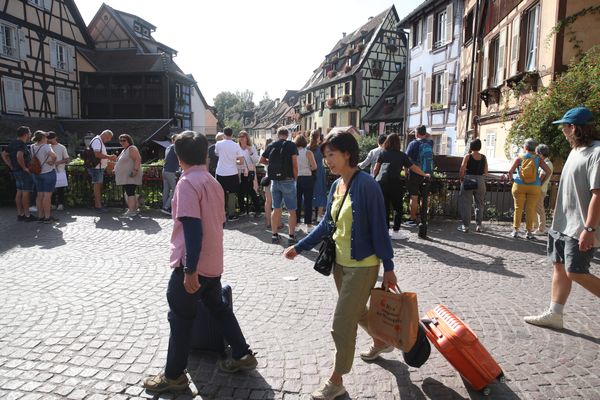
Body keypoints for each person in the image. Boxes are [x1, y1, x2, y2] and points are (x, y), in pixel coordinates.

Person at [283, 130, 398, 400]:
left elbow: (380, 229)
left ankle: (336, 381)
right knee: (357, 313)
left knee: (342, 322)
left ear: (348, 153)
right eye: (325, 156)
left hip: (364, 264)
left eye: (331, 155)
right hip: (340, 264)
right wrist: (299, 247)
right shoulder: (337, 186)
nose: (327, 161)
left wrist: (389, 267)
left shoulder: (367, 185)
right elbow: (326, 225)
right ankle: (381, 342)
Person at [142, 131, 257, 394]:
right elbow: (219, 223)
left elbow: (192, 228)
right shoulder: (212, 182)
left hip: (194, 264)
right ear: (205, 154)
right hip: (213, 261)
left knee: (181, 318)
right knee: (218, 308)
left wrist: (189, 270)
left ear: (178, 157)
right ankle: (241, 354)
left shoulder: (187, 183)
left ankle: (173, 376)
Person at [524, 106, 600, 329]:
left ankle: (555, 314)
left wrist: (589, 229)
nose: (563, 132)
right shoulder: (575, 151)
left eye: (565, 128)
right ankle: (555, 314)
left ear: (575, 128)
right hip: (562, 223)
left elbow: (598, 194)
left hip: (580, 226)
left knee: (575, 271)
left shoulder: (597, 153)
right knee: (559, 266)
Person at [373, 133, 429, 240]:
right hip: (395, 183)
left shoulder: (382, 152)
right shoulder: (401, 155)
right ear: (398, 143)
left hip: (382, 184)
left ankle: (385, 231)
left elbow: (376, 169)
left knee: (384, 208)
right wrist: (424, 174)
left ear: (387, 142)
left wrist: (373, 179)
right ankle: (395, 231)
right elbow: (413, 167)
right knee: (398, 208)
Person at [260, 127, 299, 245]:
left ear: (277, 135)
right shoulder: (291, 145)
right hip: (287, 180)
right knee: (292, 210)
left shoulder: (272, 145)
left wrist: (270, 164)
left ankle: (274, 235)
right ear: (287, 135)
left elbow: (262, 159)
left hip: (275, 181)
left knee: (276, 208)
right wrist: (295, 178)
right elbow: (294, 165)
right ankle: (291, 236)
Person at [506, 138, 551, 239]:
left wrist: (512, 181)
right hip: (534, 186)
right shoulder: (538, 159)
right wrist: (540, 183)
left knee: (518, 208)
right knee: (530, 209)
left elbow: (510, 171)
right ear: (535, 148)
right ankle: (529, 232)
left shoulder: (520, 157)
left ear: (525, 147)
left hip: (519, 185)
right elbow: (548, 171)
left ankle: (516, 231)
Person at [2, 126, 36, 221]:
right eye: (29, 133)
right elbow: (19, 155)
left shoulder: (12, 143)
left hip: (16, 171)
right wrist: (24, 167)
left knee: (19, 191)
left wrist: (11, 165)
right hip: (23, 172)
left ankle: (20, 214)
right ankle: (27, 215)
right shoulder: (22, 144)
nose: (30, 135)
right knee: (26, 192)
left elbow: (4, 154)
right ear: (25, 134)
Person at [405, 125, 434, 226]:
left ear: (416, 133)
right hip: (427, 174)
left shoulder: (413, 144)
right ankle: (424, 218)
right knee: (425, 197)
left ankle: (413, 219)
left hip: (415, 173)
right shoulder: (430, 142)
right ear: (425, 133)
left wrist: (406, 172)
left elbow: (406, 159)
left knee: (414, 197)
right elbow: (430, 136)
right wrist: (424, 133)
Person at [457, 139, 488, 233]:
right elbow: (486, 172)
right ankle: (479, 225)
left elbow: (462, 169)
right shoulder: (483, 157)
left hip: (469, 178)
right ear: (480, 147)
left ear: (471, 147)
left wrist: (461, 178)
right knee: (480, 203)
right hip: (480, 180)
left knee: (466, 203)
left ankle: (465, 226)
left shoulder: (468, 156)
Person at [215, 127, 243, 221]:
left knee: (220, 193)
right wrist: (234, 161)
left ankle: (221, 214)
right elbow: (241, 161)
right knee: (231, 193)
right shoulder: (236, 145)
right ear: (232, 134)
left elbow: (217, 154)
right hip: (232, 172)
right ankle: (231, 214)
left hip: (220, 172)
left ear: (224, 134)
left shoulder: (218, 144)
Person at [30, 131, 57, 223]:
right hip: (48, 172)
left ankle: (40, 216)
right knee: (47, 196)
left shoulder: (32, 146)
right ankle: (47, 217)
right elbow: (54, 156)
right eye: (46, 137)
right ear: (42, 138)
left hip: (36, 173)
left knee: (39, 195)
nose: (47, 139)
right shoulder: (45, 146)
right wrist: (52, 162)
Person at [114, 134, 143, 217]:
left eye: (124, 140)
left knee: (130, 192)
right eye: (120, 140)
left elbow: (138, 159)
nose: (122, 142)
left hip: (131, 175)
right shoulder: (124, 150)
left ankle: (131, 211)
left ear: (129, 140)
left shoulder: (132, 148)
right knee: (129, 192)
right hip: (126, 176)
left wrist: (135, 170)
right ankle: (133, 208)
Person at [88, 130, 117, 212]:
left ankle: (98, 205)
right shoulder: (97, 141)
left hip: (98, 167)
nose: (108, 140)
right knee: (97, 186)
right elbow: (97, 154)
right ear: (104, 135)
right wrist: (109, 157)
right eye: (108, 138)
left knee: (98, 185)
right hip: (96, 167)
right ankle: (98, 206)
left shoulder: (98, 140)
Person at [294, 135, 317, 232]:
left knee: (297, 202)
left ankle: (297, 223)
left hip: (296, 178)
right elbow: (314, 167)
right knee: (308, 201)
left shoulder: (294, 153)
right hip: (307, 178)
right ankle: (308, 225)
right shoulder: (308, 152)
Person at [237, 131, 261, 216]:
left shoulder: (251, 147)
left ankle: (257, 210)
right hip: (239, 172)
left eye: (243, 136)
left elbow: (256, 160)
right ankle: (242, 210)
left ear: (247, 138)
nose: (241, 138)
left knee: (251, 191)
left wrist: (250, 151)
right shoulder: (237, 147)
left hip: (249, 172)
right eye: (240, 136)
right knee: (240, 191)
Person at [532, 144, 554, 234]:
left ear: (540, 153)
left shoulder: (547, 164)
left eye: (537, 153)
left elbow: (541, 176)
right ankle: (537, 227)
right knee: (537, 208)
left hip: (540, 189)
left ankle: (541, 229)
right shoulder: (548, 163)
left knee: (539, 209)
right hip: (541, 188)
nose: (536, 155)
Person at [47, 131, 70, 211]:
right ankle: (52, 204)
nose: (50, 141)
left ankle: (60, 204)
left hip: (60, 170)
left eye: (51, 139)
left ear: (55, 138)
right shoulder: (47, 147)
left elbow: (67, 159)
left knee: (60, 189)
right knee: (51, 189)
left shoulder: (62, 147)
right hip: (50, 170)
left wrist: (57, 163)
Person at [310, 130, 327, 223]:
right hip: (320, 171)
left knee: (311, 193)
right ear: (318, 137)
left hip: (310, 172)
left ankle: (312, 214)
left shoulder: (308, 148)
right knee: (320, 192)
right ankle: (319, 216)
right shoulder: (321, 148)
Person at [162, 135, 179, 215]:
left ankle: (164, 206)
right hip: (171, 171)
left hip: (165, 170)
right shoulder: (176, 147)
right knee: (175, 189)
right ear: (173, 140)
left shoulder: (168, 147)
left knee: (166, 189)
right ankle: (166, 207)